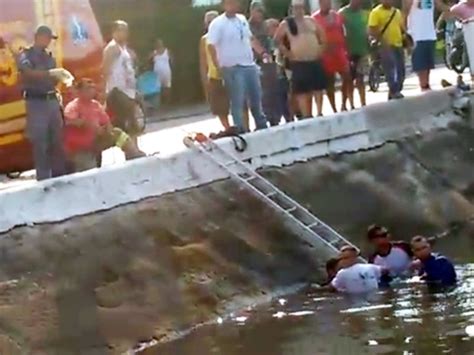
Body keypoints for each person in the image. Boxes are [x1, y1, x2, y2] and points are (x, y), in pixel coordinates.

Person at [207, 0, 268, 133]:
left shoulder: (242, 19)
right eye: (230, 3)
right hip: (232, 67)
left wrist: (262, 53)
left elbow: (250, 39)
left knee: (256, 96)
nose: (234, 5)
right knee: (238, 100)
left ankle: (261, 125)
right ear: (224, 5)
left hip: (249, 65)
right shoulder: (218, 23)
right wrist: (218, 67)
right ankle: (240, 128)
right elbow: (211, 45)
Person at [18, 25, 68, 181]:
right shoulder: (26, 54)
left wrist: (61, 77)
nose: (48, 42)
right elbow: (27, 73)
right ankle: (44, 180)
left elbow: (51, 78)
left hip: (51, 100)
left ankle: (60, 177)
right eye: (47, 38)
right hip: (36, 102)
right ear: (39, 36)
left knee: (57, 141)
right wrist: (49, 73)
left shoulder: (49, 57)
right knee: (41, 143)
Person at [64, 79, 144, 173]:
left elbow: (106, 122)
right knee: (90, 172)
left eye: (92, 87)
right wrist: (84, 123)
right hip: (81, 147)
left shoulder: (96, 105)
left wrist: (106, 130)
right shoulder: (73, 106)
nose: (92, 90)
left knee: (117, 133)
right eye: (88, 88)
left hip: (96, 139)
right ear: (80, 91)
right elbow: (67, 121)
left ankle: (135, 156)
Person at [274, 0, 327, 118]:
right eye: (296, 8)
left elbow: (322, 36)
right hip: (299, 61)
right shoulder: (287, 23)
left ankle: (319, 112)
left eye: (301, 8)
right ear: (292, 9)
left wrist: (321, 49)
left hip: (314, 59)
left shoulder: (311, 21)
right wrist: (288, 53)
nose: (299, 10)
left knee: (318, 88)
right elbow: (277, 40)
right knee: (302, 91)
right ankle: (306, 115)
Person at [313, 0, 352, 112]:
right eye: (325, 2)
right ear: (320, 3)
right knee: (330, 82)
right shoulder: (314, 19)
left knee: (347, 75)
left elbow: (342, 31)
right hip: (326, 53)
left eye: (329, 2)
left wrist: (345, 47)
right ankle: (334, 108)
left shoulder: (336, 15)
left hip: (339, 51)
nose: (327, 4)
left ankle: (344, 104)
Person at [102, 20, 139, 137]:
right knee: (127, 122)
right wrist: (104, 92)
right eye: (122, 30)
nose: (125, 33)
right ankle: (131, 151)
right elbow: (105, 69)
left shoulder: (124, 48)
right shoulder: (112, 48)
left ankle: (134, 149)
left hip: (128, 91)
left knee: (132, 122)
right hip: (117, 91)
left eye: (126, 30)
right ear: (115, 32)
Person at [403, 0, 447, 91]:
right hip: (416, 35)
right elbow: (404, 14)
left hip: (429, 34)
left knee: (428, 64)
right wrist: (405, 32)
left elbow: (442, 7)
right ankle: (423, 85)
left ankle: (426, 84)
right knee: (420, 64)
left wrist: (456, 10)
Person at [368, 0, 406, 100]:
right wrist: (382, 41)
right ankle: (394, 91)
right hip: (385, 46)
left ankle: (395, 90)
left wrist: (406, 39)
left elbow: (401, 28)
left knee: (401, 69)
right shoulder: (376, 12)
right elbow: (372, 29)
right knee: (391, 68)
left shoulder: (397, 12)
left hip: (398, 44)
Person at [200, 11, 231, 130]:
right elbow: (203, 62)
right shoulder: (204, 40)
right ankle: (228, 128)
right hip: (214, 76)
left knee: (237, 102)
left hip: (229, 71)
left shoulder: (226, 35)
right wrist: (204, 81)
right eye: (208, 22)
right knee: (219, 107)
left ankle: (241, 126)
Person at [339, 0, 370, 109]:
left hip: (362, 50)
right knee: (348, 79)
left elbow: (368, 30)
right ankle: (347, 104)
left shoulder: (365, 14)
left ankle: (363, 103)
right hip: (348, 51)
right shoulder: (342, 13)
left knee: (360, 78)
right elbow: (339, 31)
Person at [152, 39, 172, 105]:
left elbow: (172, 59)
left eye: (160, 43)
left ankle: (167, 103)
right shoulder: (154, 52)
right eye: (157, 43)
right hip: (157, 74)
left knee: (167, 87)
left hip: (166, 72)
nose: (159, 44)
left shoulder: (167, 51)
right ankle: (159, 103)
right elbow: (148, 59)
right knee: (158, 89)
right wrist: (153, 55)